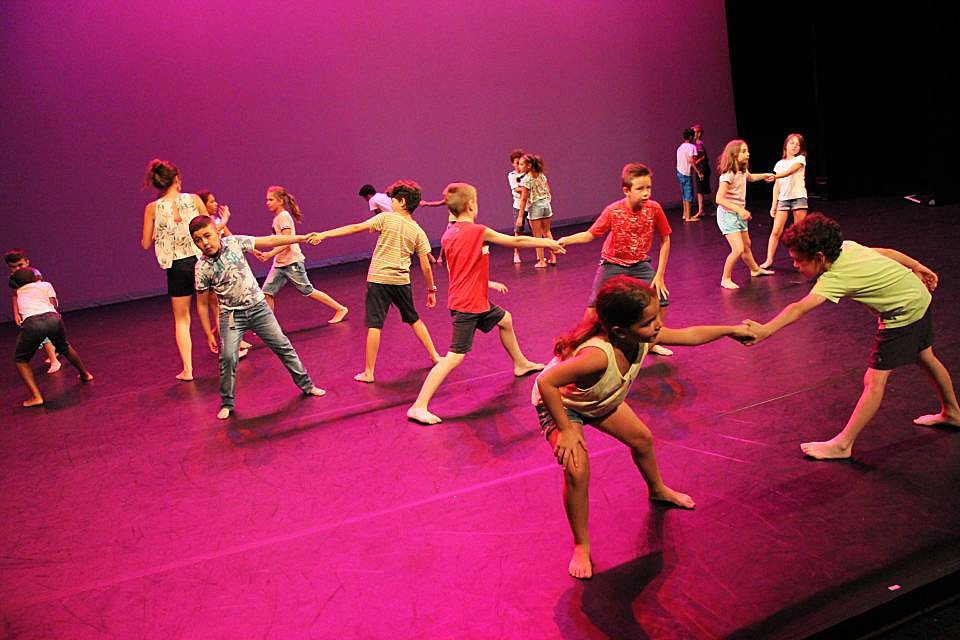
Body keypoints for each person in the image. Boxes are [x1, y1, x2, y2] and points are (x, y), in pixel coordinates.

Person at [534, 276, 753, 578]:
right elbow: (546, 382)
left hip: (600, 399)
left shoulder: (643, 336)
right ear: (620, 331)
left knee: (642, 439)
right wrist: (568, 430)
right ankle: (581, 544)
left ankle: (658, 490)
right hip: (563, 406)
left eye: (656, 318)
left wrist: (730, 330)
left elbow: (689, 334)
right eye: (649, 322)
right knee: (577, 470)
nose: (658, 326)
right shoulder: (597, 357)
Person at [742, 214, 960, 459]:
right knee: (925, 356)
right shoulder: (847, 247)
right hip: (919, 297)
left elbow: (800, 307)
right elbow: (888, 252)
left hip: (903, 314)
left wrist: (766, 330)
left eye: (798, 261)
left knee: (874, 381)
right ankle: (952, 412)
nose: (795, 266)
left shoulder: (834, 278)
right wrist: (919, 267)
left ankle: (843, 444)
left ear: (820, 258)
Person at [406, 182, 565, 425]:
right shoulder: (477, 231)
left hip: (473, 297)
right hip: (468, 304)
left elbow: (459, 269)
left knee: (506, 320)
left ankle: (520, 364)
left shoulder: (449, 234)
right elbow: (517, 242)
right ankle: (418, 406)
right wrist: (549, 243)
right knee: (454, 356)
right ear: (471, 205)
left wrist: (486, 283)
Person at [190, 216, 326, 420]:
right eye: (198, 240)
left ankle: (307, 385)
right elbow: (201, 304)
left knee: (282, 345)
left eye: (207, 236)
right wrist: (208, 330)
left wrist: (301, 238)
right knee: (227, 357)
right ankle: (227, 402)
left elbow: (269, 240)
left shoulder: (234, 242)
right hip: (231, 315)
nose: (204, 243)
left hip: (258, 308)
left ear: (217, 233)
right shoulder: (201, 268)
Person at [317, 180, 441, 383]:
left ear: (401, 202)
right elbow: (426, 265)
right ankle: (435, 356)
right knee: (413, 319)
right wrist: (431, 290)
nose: (390, 203)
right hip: (401, 281)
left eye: (393, 199)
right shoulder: (419, 231)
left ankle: (369, 372)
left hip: (379, 279)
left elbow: (355, 227)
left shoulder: (386, 218)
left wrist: (324, 235)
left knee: (375, 325)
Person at [558, 163, 675, 356]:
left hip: (639, 263)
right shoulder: (614, 211)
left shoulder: (654, 209)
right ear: (626, 191)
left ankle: (651, 344)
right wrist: (566, 240)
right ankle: (578, 344)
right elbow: (590, 235)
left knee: (661, 300)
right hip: (613, 262)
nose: (646, 193)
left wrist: (660, 274)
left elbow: (665, 239)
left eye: (648, 188)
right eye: (640, 189)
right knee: (595, 305)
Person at [140, 159, 208, 381]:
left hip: (178, 266)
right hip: (202, 260)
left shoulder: (152, 208)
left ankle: (188, 369)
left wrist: (157, 234)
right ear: (176, 179)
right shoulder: (194, 199)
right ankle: (232, 350)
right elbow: (210, 227)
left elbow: (145, 244)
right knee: (217, 307)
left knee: (182, 319)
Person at [256, 185, 348, 323]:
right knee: (267, 292)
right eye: (267, 200)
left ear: (280, 201)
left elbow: (287, 241)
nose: (267, 203)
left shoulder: (284, 217)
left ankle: (340, 308)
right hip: (280, 263)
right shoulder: (277, 218)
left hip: (292, 261)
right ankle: (270, 326)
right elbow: (277, 238)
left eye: (270, 200)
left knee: (307, 290)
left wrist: (270, 254)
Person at [11, 267, 93, 407]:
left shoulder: (19, 292)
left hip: (33, 323)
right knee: (64, 347)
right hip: (52, 318)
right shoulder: (46, 284)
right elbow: (53, 303)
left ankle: (37, 397)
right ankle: (85, 374)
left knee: (20, 359)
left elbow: (23, 311)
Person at [196, 191, 253, 359]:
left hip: (225, 272)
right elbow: (214, 235)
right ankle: (231, 345)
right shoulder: (203, 226)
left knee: (225, 310)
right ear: (203, 205)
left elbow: (231, 237)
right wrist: (225, 220)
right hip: (213, 272)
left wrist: (252, 249)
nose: (215, 204)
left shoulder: (216, 222)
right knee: (221, 311)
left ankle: (237, 341)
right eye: (211, 202)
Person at [714, 140, 775, 289]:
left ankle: (754, 269)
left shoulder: (742, 170)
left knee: (746, 245)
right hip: (728, 215)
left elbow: (751, 177)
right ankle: (725, 278)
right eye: (743, 151)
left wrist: (765, 175)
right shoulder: (728, 174)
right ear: (734, 155)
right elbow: (719, 199)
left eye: (747, 151)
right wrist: (740, 210)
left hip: (738, 214)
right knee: (738, 249)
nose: (747, 154)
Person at [6, 249, 60, 372]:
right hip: (30, 309)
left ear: (27, 262)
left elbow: (41, 290)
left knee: (44, 332)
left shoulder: (33, 274)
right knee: (44, 333)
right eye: (13, 267)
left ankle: (54, 360)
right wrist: (16, 313)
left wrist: (52, 307)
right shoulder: (13, 278)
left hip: (42, 305)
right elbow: (15, 295)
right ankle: (56, 351)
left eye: (20, 265)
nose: (17, 269)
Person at [759, 133, 809, 269]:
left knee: (799, 232)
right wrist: (773, 205)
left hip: (798, 198)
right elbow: (777, 185)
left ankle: (800, 260)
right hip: (783, 200)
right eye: (792, 143)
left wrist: (774, 176)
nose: (794, 146)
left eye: (798, 144)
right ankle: (769, 260)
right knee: (776, 231)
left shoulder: (800, 159)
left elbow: (790, 172)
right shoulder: (779, 164)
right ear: (786, 144)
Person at [516, 154, 556, 268]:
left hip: (535, 207)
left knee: (537, 236)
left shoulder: (527, 179)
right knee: (547, 232)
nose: (519, 166)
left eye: (522, 164)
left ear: (528, 166)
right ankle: (553, 257)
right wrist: (547, 200)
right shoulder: (541, 175)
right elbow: (548, 190)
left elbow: (523, 199)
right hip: (546, 205)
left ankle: (542, 261)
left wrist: (520, 217)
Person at [507, 149, 530, 263]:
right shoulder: (512, 175)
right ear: (512, 163)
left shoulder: (529, 173)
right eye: (515, 163)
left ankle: (539, 254)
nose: (518, 166)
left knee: (537, 232)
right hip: (518, 205)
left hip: (530, 205)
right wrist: (527, 189)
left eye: (520, 163)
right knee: (518, 231)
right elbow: (516, 189)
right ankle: (516, 253)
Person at [676, 128, 699, 222]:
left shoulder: (680, 148)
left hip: (679, 172)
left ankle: (685, 214)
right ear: (691, 137)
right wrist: (698, 172)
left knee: (684, 194)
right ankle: (688, 217)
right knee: (688, 194)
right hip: (686, 173)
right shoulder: (691, 147)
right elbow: (691, 160)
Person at [691, 124, 712, 217]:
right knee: (700, 191)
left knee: (706, 191)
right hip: (700, 169)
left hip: (702, 169)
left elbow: (702, 156)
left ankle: (720, 207)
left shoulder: (699, 143)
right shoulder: (695, 144)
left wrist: (695, 161)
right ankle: (701, 210)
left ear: (699, 134)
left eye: (694, 132)